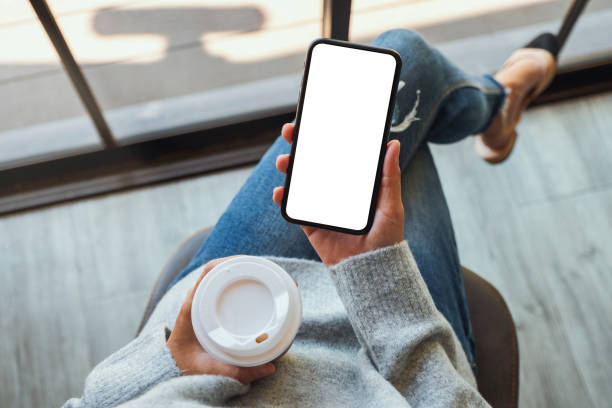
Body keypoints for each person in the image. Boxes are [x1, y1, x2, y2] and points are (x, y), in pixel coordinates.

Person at [63, 29, 556, 407]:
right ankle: (494, 107)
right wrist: (379, 281)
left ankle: (492, 106)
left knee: (391, 117)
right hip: (399, 355)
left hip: (211, 331)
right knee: (401, 95)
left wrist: (169, 366)